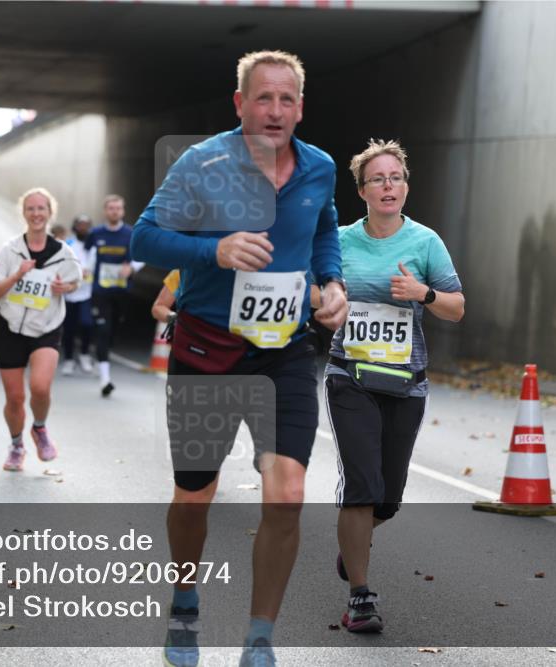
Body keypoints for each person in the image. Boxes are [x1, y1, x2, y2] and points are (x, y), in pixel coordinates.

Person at [131, 50, 348, 667]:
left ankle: (258, 637)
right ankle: (184, 598)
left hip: (284, 353)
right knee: (194, 494)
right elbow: (145, 236)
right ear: (239, 104)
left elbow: (325, 229)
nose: (274, 110)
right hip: (207, 349)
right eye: (263, 97)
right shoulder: (203, 163)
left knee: (288, 491)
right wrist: (215, 249)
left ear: (300, 107)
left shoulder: (320, 169)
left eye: (286, 99)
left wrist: (331, 283)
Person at [324, 140, 464, 634]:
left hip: (406, 382)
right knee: (361, 486)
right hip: (351, 376)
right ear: (362, 190)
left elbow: (456, 306)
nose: (388, 186)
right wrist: (329, 300)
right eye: (377, 179)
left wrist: (422, 293)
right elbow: (318, 290)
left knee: (388, 497)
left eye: (395, 178)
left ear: (405, 187)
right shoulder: (338, 240)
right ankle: (360, 595)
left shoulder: (425, 242)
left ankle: (353, 547)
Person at [0, 188, 82, 471]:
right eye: (31, 209)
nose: (36, 213)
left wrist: (66, 287)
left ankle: (39, 428)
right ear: (24, 213)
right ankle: (16, 445)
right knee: (15, 398)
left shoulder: (63, 253)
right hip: (10, 327)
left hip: (46, 327)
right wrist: (18, 275)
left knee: (40, 387)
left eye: (42, 208)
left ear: (50, 213)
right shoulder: (10, 250)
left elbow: (76, 281)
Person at [86, 195, 145, 396]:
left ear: (123, 211)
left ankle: (102, 359)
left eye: (118, 208)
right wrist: (86, 270)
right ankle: (105, 379)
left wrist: (132, 268)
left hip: (122, 292)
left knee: (113, 332)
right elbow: (85, 256)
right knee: (103, 330)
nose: (114, 211)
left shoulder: (130, 234)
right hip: (100, 292)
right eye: (111, 208)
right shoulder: (95, 234)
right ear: (105, 211)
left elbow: (141, 256)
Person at [62, 215, 97, 375]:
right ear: (75, 227)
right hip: (69, 292)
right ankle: (69, 359)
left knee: (87, 324)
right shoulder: (68, 243)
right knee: (68, 327)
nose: (83, 228)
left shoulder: (95, 245)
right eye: (80, 225)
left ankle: (84, 354)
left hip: (87, 293)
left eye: (86, 225)